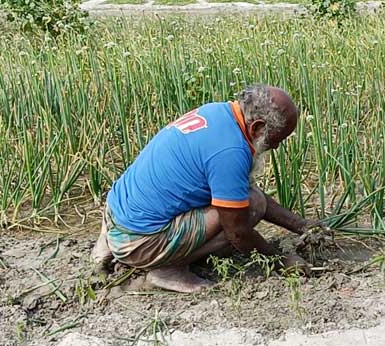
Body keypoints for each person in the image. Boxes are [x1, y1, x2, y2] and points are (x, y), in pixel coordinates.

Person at [91, 84, 328, 293]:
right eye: (276, 139)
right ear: (257, 127)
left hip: (117, 214)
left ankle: (108, 246)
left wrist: (302, 225)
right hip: (140, 242)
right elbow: (238, 233)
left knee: (243, 200)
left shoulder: (218, 113)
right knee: (252, 206)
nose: (275, 147)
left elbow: (237, 191)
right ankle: (165, 269)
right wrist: (281, 261)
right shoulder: (230, 153)